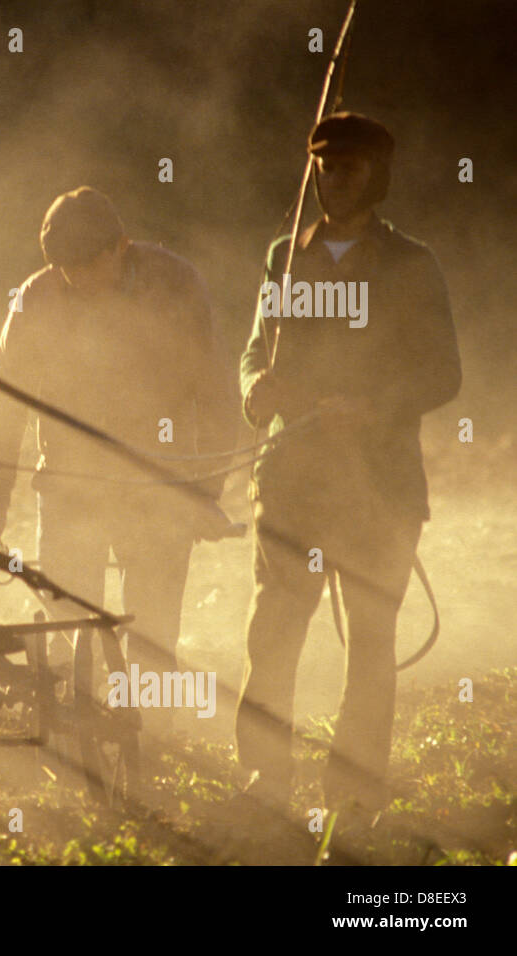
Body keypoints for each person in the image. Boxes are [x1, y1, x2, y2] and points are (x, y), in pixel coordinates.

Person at [235, 113, 461, 823]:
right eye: (324, 167)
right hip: (290, 483)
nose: (333, 179)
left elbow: (442, 372)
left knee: (370, 647)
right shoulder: (282, 257)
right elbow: (252, 352)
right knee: (272, 638)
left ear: (378, 177)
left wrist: (372, 406)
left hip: (380, 490)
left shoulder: (410, 265)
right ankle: (262, 784)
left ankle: (354, 799)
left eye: (350, 168)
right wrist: (253, 391)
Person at [0, 186, 239, 742]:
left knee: (154, 625)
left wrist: (205, 490)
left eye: (87, 267)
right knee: (71, 620)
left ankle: (153, 737)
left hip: (160, 484)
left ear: (121, 246)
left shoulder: (177, 284)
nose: (76, 282)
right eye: (64, 270)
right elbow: (2, 402)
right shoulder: (34, 298)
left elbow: (215, 390)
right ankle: (80, 736)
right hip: (68, 486)